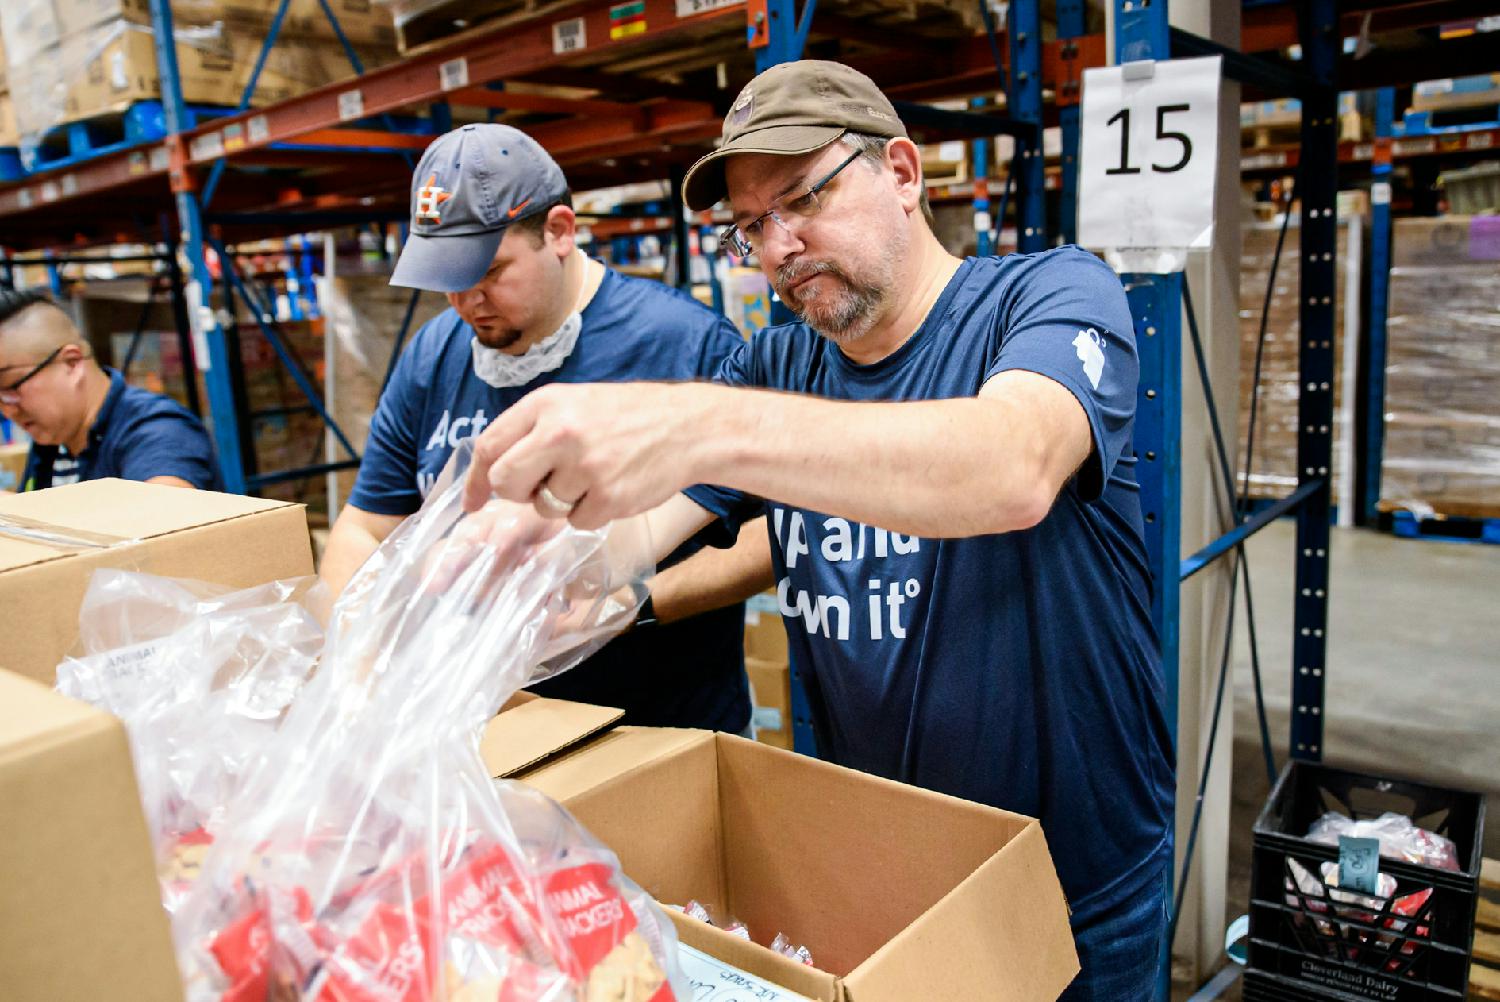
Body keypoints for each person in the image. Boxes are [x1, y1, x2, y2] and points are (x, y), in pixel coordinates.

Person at [457, 62, 1175, 999]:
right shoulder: (780, 364)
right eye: (751, 226)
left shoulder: (1049, 298)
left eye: (802, 197)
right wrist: (537, 563)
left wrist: (698, 424)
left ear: (905, 174)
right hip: (880, 874)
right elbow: (637, 532)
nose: (779, 245)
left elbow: (1011, 467)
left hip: (1077, 886)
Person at [319, 123, 771, 735]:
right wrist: (354, 668)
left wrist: (629, 606)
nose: (467, 299)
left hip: (656, 734)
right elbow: (367, 525)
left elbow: (771, 539)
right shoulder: (432, 357)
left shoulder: (682, 345)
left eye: (491, 270)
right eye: (448, 278)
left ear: (559, 232)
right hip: (483, 730)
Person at [0, 289, 222, 491]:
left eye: (11, 387)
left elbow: (165, 513)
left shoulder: (158, 430)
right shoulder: (53, 443)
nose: (8, 411)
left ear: (71, 363)